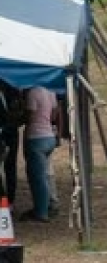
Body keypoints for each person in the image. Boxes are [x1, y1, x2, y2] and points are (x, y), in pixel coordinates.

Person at [20, 86, 58, 222]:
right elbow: (54, 113)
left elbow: (29, 115)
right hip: (49, 136)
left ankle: (41, 212)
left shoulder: (33, 93)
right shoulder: (50, 91)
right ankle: (46, 205)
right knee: (45, 174)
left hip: (36, 137)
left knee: (37, 178)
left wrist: (19, 117)